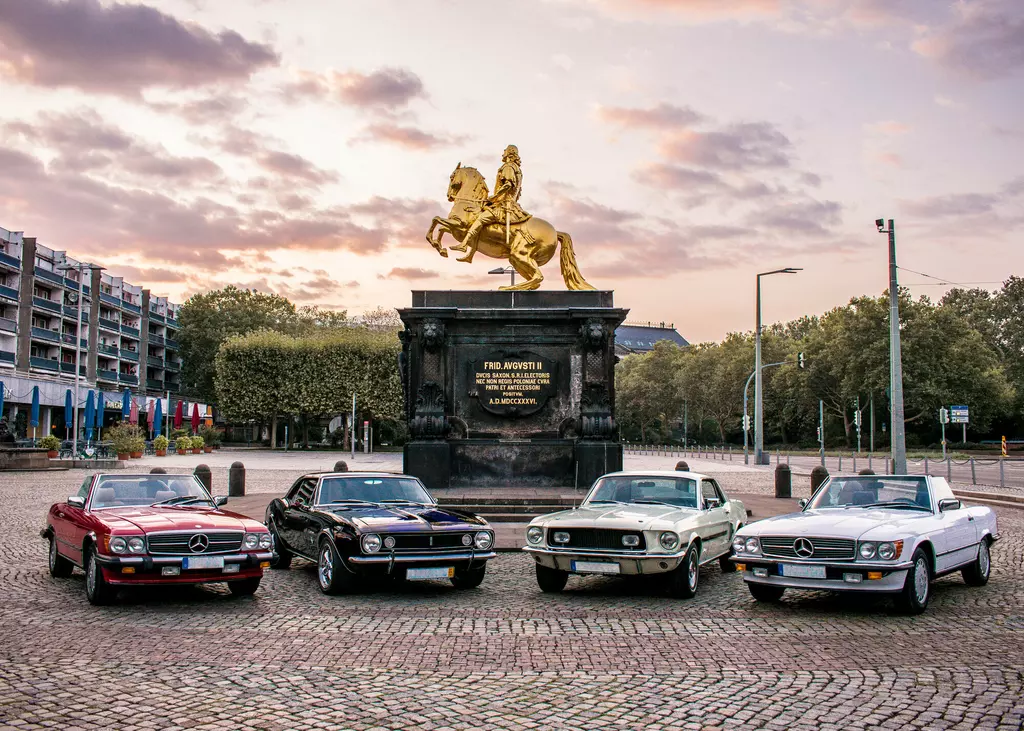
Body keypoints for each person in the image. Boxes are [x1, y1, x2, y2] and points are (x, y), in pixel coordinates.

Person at [457, 144, 530, 263]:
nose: (503, 153)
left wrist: (495, 197)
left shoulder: (508, 167)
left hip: (503, 205)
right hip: (509, 204)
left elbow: (508, 185)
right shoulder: (517, 169)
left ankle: (464, 244)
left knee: (480, 220)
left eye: (505, 151)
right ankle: (470, 255)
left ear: (509, 152)